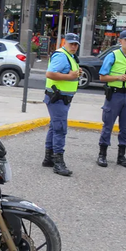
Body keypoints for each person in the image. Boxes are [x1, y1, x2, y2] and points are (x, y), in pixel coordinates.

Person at [96, 29, 126, 168]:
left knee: (125, 127)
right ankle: (102, 154)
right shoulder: (113, 56)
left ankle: (121, 156)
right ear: (120, 41)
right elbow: (102, 77)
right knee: (108, 125)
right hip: (114, 94)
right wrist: (117, 77)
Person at [42, 33, 81, 176]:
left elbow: (66, 72)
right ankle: (58, 163)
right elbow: (50, 73)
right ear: (65, 42)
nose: (74, 46)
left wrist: (75, 74)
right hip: (57, 98)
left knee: (54, 128)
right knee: (60, 129)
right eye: (71, 43)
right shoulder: (61, 55)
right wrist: (70, 76)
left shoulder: (69, 56)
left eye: (76, 44)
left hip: (61, 99)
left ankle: (49, 158)